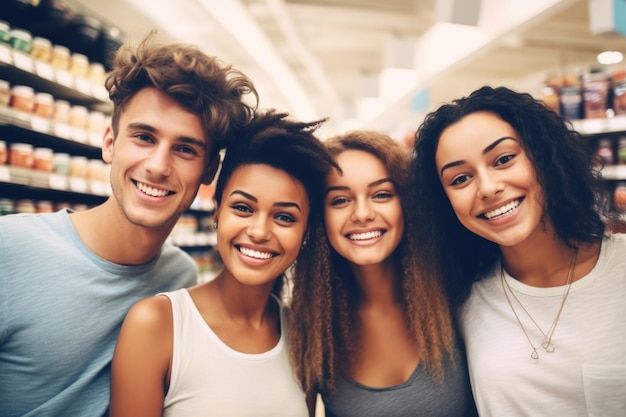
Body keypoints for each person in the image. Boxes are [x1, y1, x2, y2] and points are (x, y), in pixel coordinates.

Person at [0, 31, 258, 417]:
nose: (158, 165)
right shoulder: (10, 251)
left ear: (210, 171)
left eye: (185, 149)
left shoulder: (181, 278)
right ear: (110, 143)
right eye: (143, 137)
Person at [411, 85, 626, 416]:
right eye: (460, 179)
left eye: (504, 159)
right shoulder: (460, 297)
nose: (487, 187)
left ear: (544, 156)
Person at [108, 110, 339, 417]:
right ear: (217, 211)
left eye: (284, 217)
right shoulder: (156, 324)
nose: (259, 232)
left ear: (306, 231)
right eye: (243, 208)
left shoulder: (302, 335)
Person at [289, 131, 477, 417]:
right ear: (319, 217)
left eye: (381, 195)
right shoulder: (310, 324)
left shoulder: (457, 291)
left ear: (407, 205)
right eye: (340, 200)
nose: (362, 213)